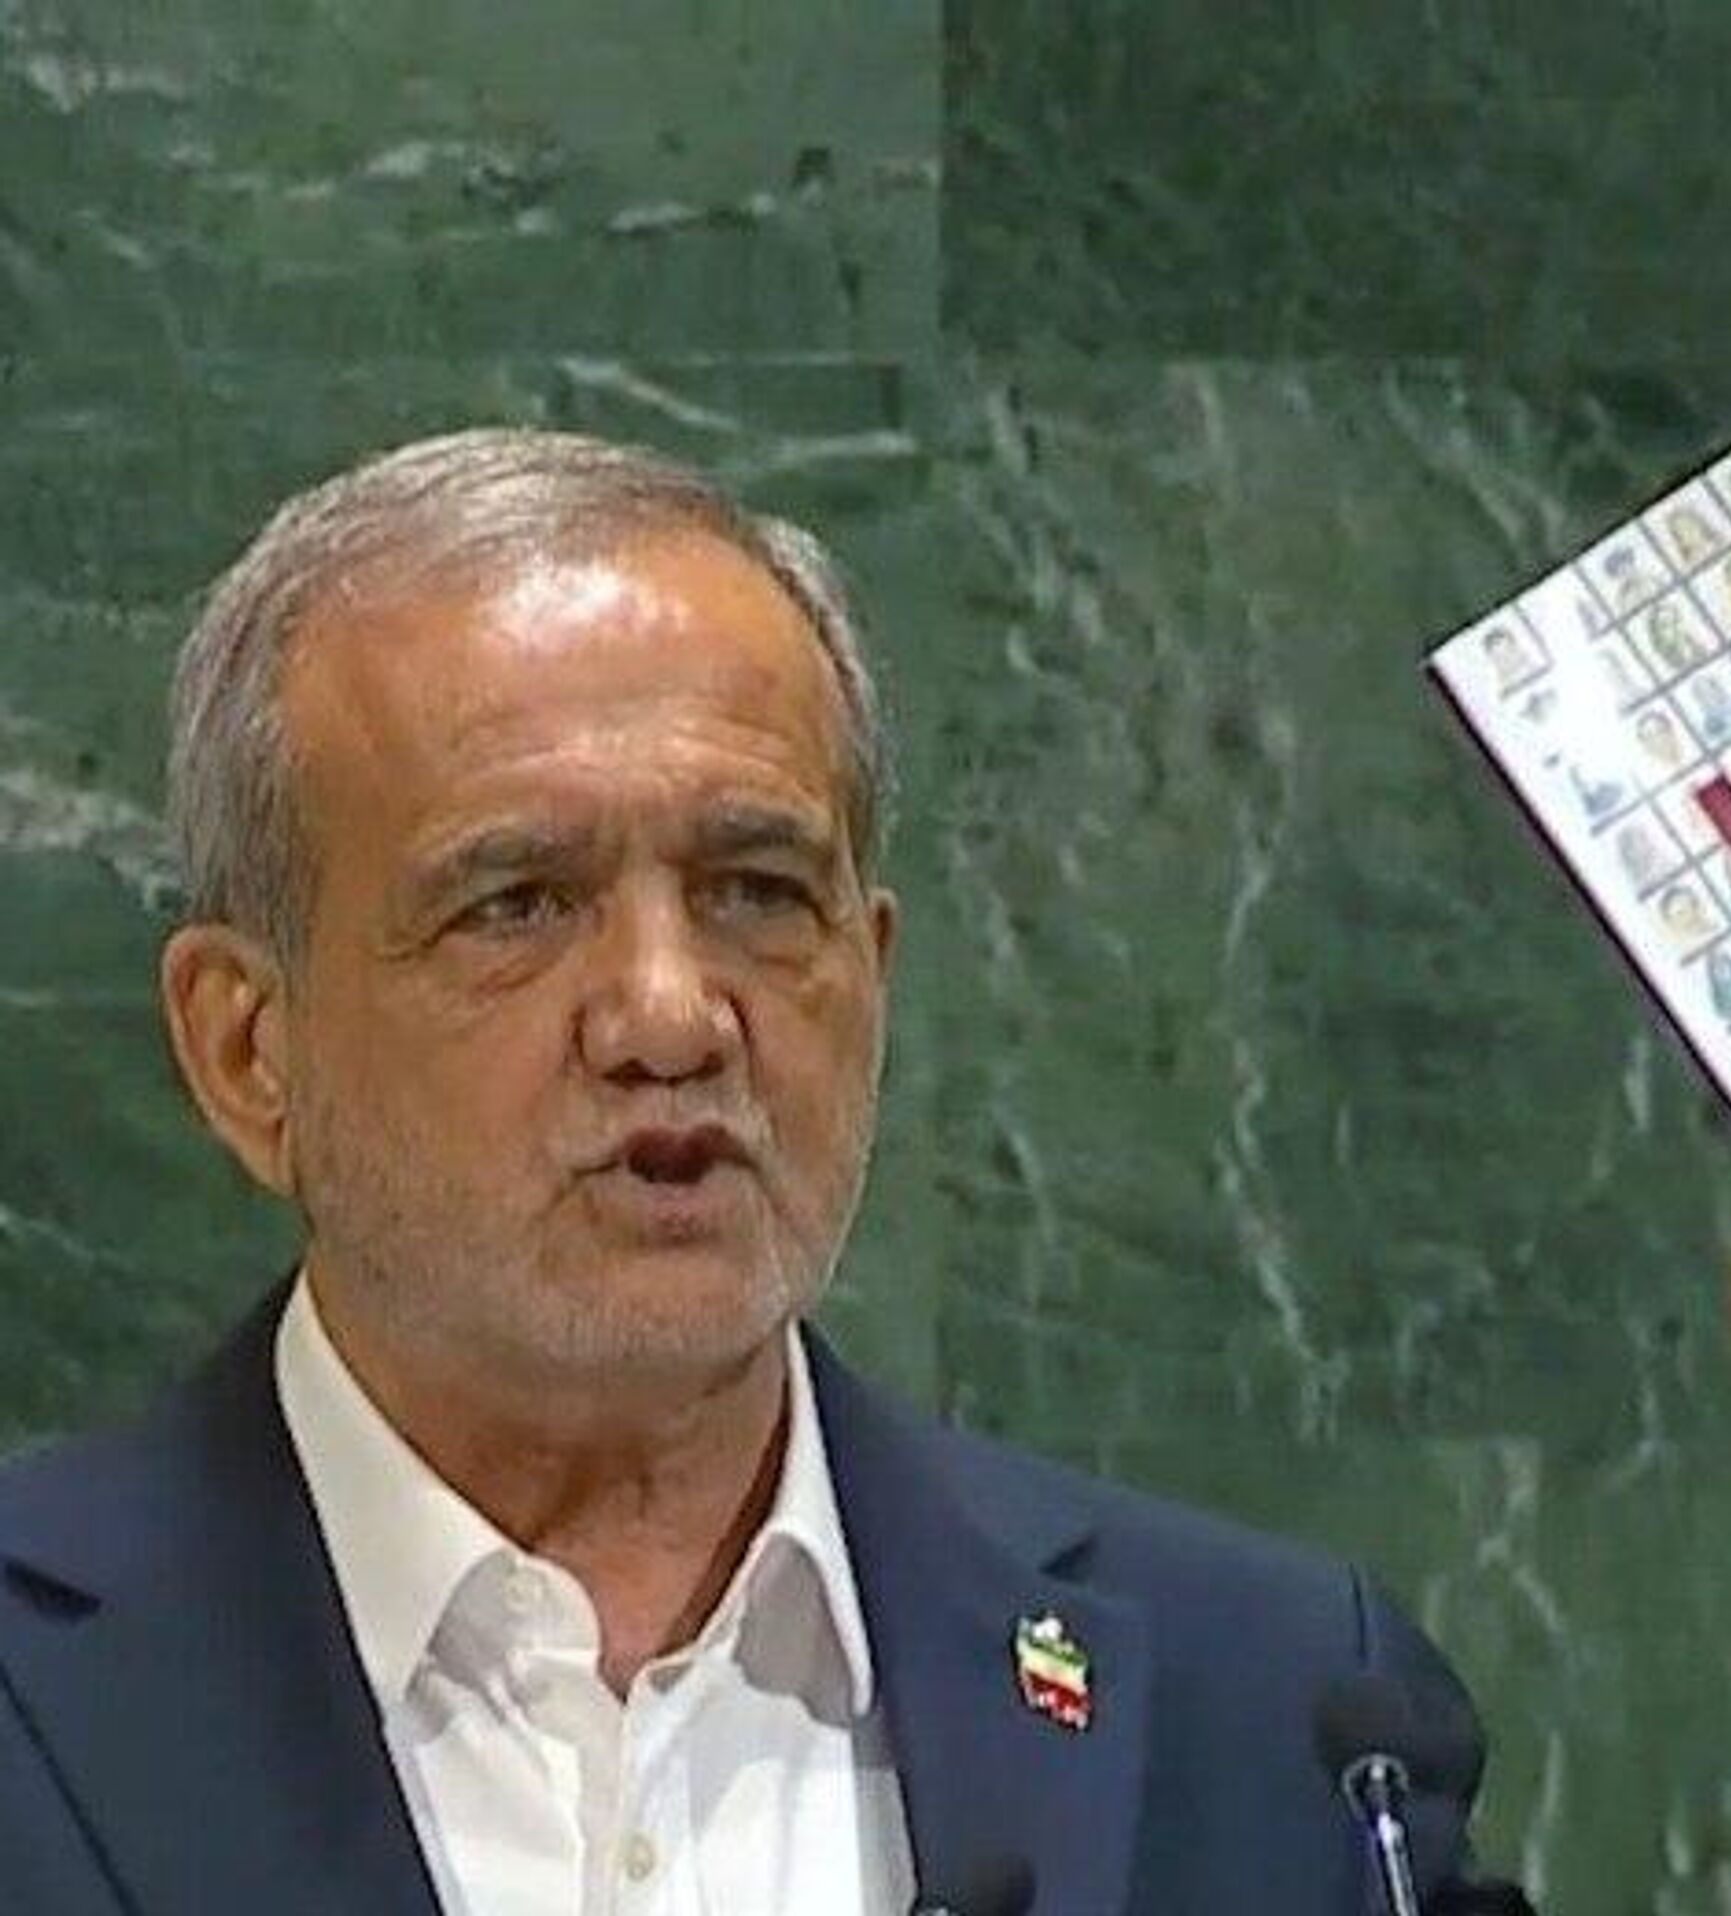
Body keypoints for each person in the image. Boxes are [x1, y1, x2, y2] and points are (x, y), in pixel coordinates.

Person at [0, 430, 1528, 1913]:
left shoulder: (1278, 1721)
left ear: (873, 972)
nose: (671, 1016)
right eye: (516, 904)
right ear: (248, 1050)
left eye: (756, 891)